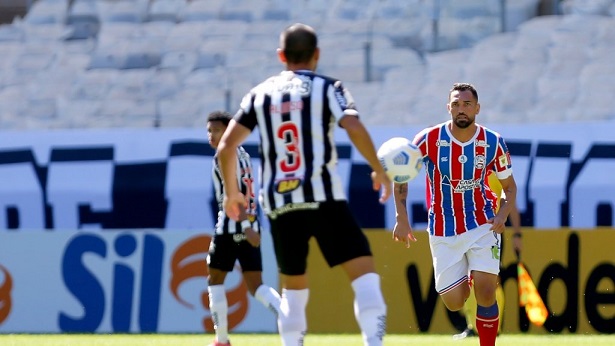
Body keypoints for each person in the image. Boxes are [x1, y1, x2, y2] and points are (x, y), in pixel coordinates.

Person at [216, 23, 392, 346]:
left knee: (293, 292)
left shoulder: (259, 93)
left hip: (281, 205)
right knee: (365, 277)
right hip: (324, 198)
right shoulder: (328, 88)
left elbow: (226, 147)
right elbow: (351, 124)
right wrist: (378, 169)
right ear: (317, 55)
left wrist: (232, 193)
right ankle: (373, 342)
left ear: (281, 56)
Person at [393, 82, 518, 346]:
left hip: (482, 223)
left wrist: (503, 213)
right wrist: (401, 218)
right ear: (448, 107)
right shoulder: (427, 139)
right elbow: (401, 177)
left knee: (486, 292)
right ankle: (469, 277)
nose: (461, 109)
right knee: (454, 302)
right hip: (442, 228)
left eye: (467, 104)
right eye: (456, 104)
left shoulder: (493, 142)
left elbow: (509, 188)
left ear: (477, 108)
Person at [205, 110, 281, 346]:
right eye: (209, 131)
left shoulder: (224, 154)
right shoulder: (243, 154)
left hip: (231, 225)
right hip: (249, 223)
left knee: (215, 279)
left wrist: (245, 224)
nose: (212, 135)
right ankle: (290, 318)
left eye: (216, 130)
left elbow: (237, 194)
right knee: (256, 285)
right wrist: (252, 223)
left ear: (228, 130)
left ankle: (222, 340)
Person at [453, 172, 523, 340]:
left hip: (490, 234)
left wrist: (517, 234)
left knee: (491, 281)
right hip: (466, 232)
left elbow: (511, 203)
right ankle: (473, 325)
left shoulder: (497, 170)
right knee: (468, 278)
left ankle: (495, 327)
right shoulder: (467, 168)